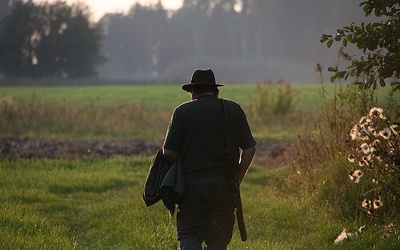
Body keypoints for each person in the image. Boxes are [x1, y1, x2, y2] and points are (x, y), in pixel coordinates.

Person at [162, 68, 257, 250]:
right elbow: (249, 148)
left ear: (193, 92)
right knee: (218, 241)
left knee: (190, 234)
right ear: (216, 91)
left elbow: (169, 152)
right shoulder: (233, 109)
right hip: (225, 186)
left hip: (191, 187)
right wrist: (237, 178)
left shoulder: (182, 112)